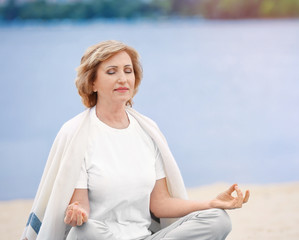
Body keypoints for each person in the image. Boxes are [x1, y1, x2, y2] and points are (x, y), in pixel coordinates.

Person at [21, 40, 250, 240]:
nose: (123, 79)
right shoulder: (77, 133)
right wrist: (77, 213)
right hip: (100, 237)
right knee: (86, 231)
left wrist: (211, 203)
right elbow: (81, 207)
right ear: (92, 83)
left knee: (218, 220)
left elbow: (160, 204)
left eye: (128, 71)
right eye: (111, 72)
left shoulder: (147, 130)